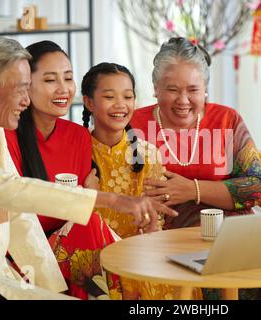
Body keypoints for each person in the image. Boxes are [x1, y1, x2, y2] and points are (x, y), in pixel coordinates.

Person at [0, 35, 177, 300]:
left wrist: (53, 287)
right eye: (21, 89)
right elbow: (12, 190)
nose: (25, 101)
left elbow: (20, 219)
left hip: (3, 275)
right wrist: (113, 200)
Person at [130, 37, 261, 231]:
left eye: (193, 90)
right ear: (156, 88)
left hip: (226, 235)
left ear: (205, 89)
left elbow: (257, 187)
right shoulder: (132, 125)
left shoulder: (226, 120)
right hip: (156, 236)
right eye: (172, 89)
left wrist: (193, 190)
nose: (183, 100)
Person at [80, 62, 178, 300]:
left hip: (138, 252)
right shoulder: (77, 151)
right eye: (109, 96)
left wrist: (152, 226)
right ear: (89, 102)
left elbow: (156, 223)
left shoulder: (148, 153)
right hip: (92, 255)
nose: (120, 105)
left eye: (128, 96)